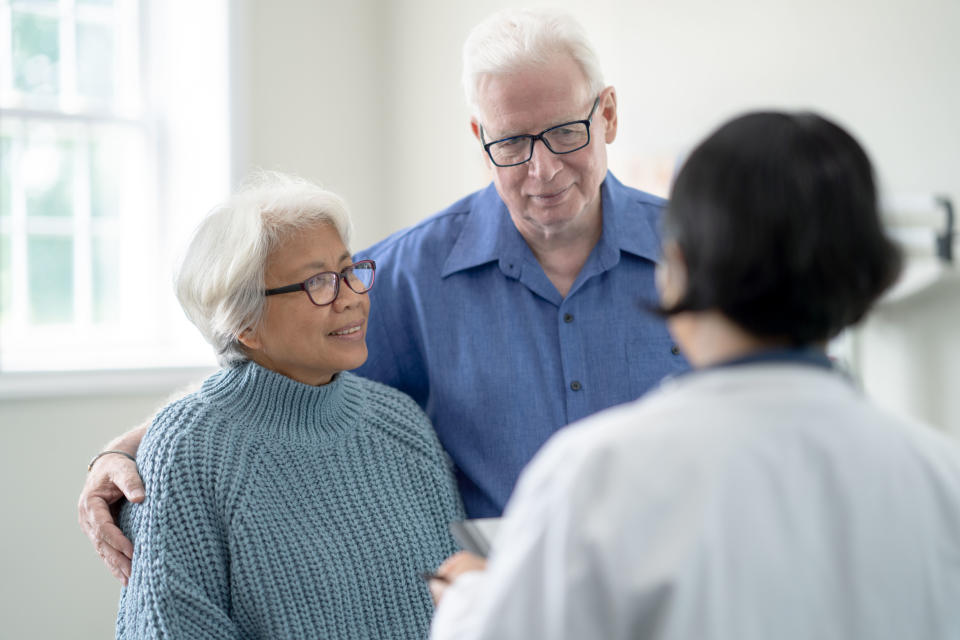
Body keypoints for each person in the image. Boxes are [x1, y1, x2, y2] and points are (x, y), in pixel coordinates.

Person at [79, 8, 687, 583]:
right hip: (500, 611)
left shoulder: (704, 260)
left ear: (607, 114)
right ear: (479, 137)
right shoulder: (406, 274)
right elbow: (271, 377)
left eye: (564, 132)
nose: (543, 169)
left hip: (686, 596)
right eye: (512, 143)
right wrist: (124, 450)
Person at [425, 111, 960, 640]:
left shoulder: (598, 475)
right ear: (866, 272)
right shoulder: (941, 477)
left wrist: (471, 600)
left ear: (674, 267)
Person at [115, 172, 463, 639]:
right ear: (244, 322)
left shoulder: (400, 422)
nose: (352, 299)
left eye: (348, 271)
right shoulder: (188, 450)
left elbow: (465, 603)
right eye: (319, 282)